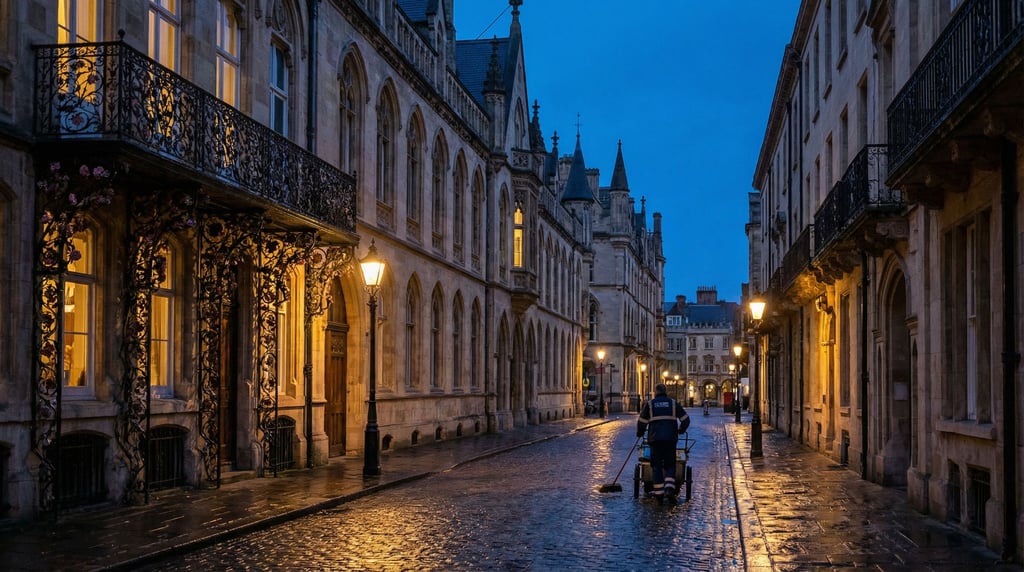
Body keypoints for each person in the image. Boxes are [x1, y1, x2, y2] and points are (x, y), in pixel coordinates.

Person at [637, 383, 690, 504]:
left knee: (656, 466)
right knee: (670, 464)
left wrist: (640, 433)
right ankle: (669, 489)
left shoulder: (650, 405)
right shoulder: (672, 403)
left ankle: (659, 494)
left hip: (655, 440)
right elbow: (686, 419)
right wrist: (681, 430)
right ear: (666, 392)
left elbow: (642, 421)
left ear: (655, 392)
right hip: (670, 439)